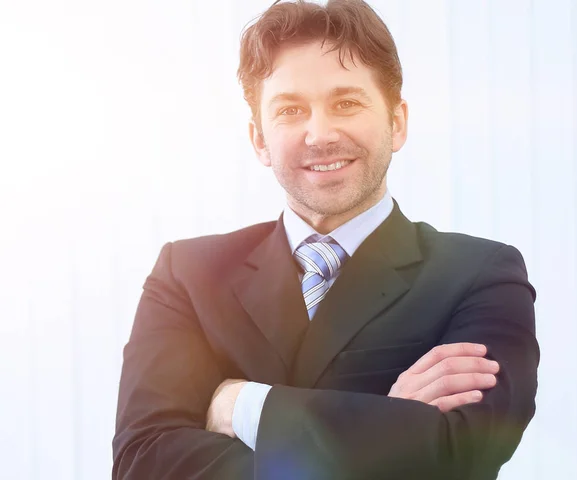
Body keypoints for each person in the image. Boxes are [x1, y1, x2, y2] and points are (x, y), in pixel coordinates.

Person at [112, 0, 539, 478]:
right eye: (291, 110)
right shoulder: (187, 274)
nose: (320, 134)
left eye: (347, 103)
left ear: (397, 122)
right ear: (259, 140)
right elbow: (142, 462)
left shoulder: (479, 275)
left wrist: (243, 405)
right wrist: (386, 422)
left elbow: (462, 452)